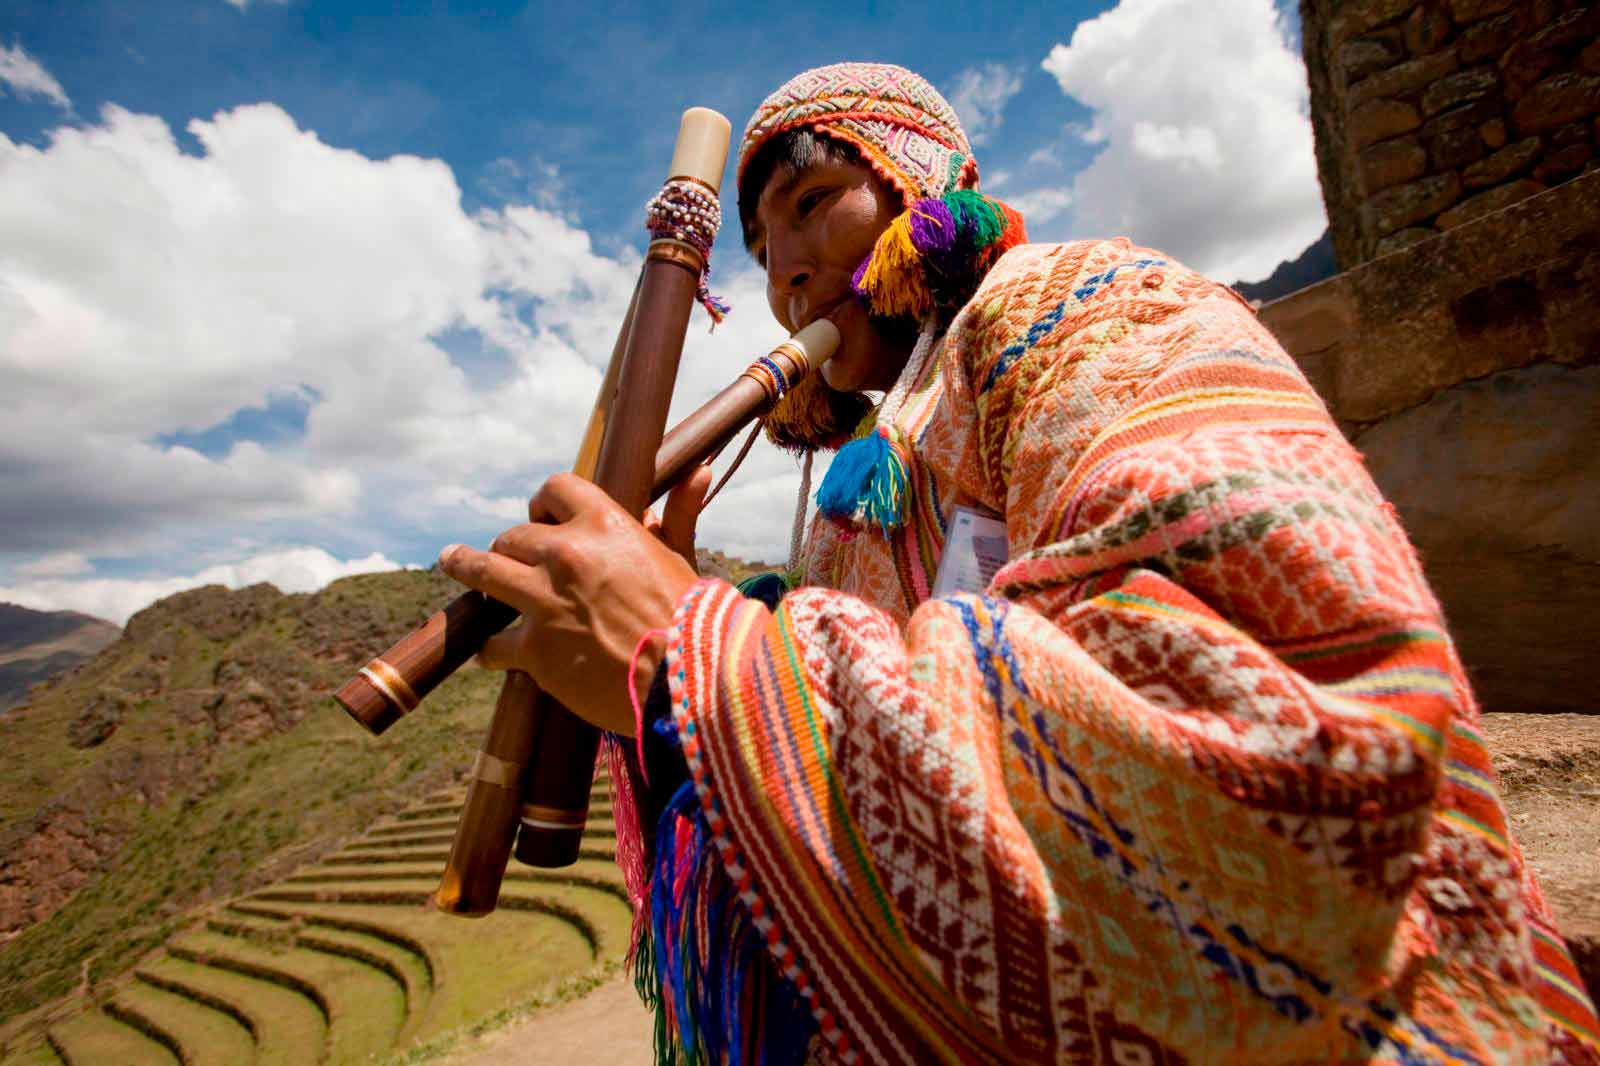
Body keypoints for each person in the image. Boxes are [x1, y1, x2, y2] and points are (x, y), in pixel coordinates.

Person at [438, 63, 1600, 1064]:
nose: (786, 269)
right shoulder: (863, 477)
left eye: (810, 202)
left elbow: (1262, 704)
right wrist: (682, 607)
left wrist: (694, 655)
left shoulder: (1083, 305)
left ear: (918, 182)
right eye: (761, 248)